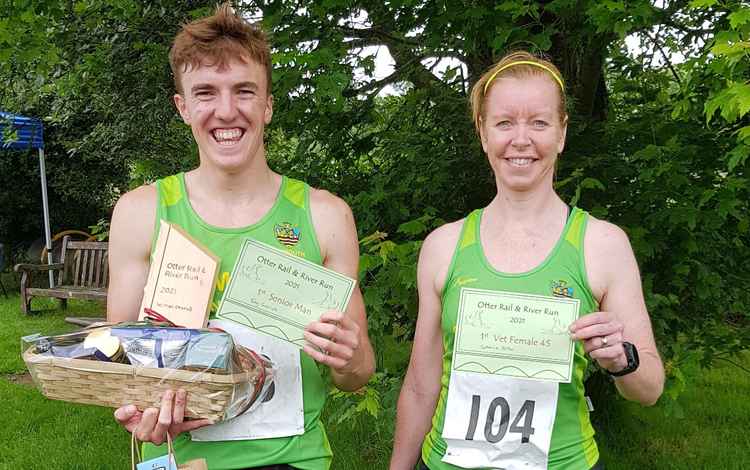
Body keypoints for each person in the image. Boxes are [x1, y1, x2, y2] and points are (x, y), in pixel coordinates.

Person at [106, 4, 375, 469]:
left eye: (244, 91)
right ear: (182, 107)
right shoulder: (140, 213)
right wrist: (139, 412)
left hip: (293, 457)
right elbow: (123, 365)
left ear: (268, 104)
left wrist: (349, 359)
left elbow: (357, 374)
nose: (226, 111)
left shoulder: (326, 216)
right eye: (205, 92)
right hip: (182, 457)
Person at [389, 51, 664, 470]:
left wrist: (621, 359)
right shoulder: (443, 246)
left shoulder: (603, 244)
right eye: (504, 123)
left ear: (561, 133)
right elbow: (420, 387)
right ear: (483, 133)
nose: (521, 139)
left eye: (539, 122)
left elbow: (649, 389)